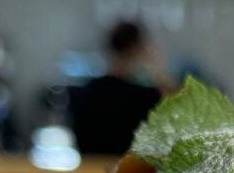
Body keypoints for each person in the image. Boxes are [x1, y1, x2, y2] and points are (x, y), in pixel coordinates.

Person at [71, 21, 169, 156]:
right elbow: (177, 110)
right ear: (138, 49)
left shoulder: (87, 92)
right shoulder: (143, 97)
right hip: (128, 168)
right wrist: (156, 69)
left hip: (92, 168)